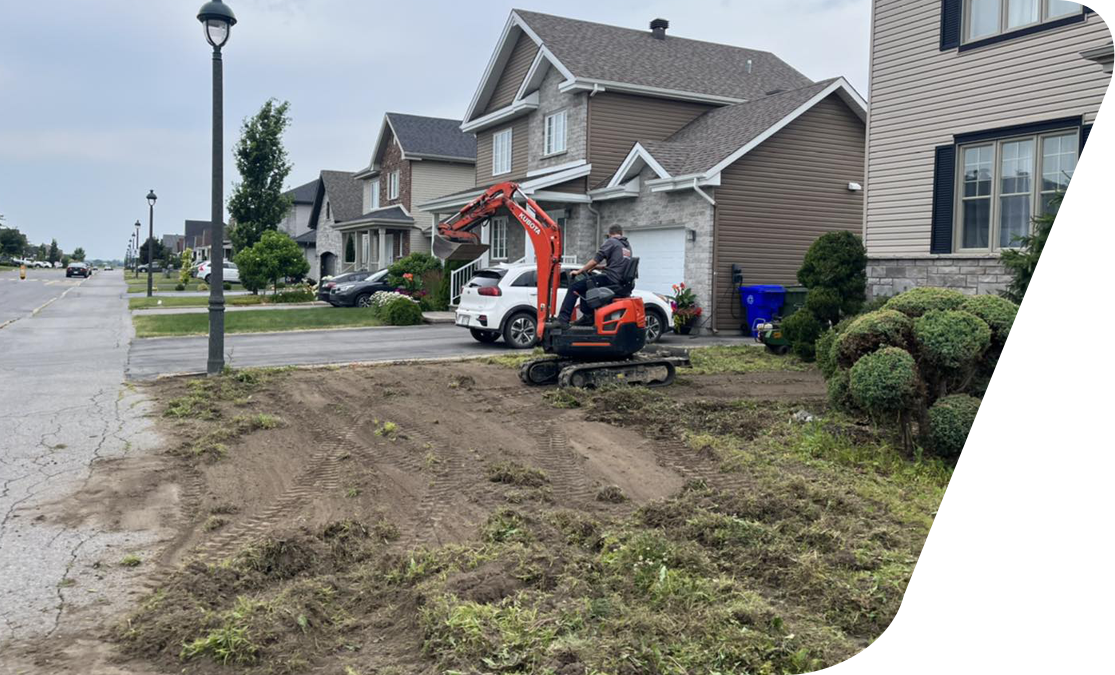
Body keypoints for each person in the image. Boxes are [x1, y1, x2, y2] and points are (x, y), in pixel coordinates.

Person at [557, 225, 632, 327]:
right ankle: (588, 317)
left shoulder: (611, 241)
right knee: (585, 287)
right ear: (621, 233)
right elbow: (617, 266)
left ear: (610, 234)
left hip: (610, 279)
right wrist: (599, 268)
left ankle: (562, 319)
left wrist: (579, 271)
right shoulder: (626, 246)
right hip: (620, 281)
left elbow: (595, 260)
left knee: (574, 287)